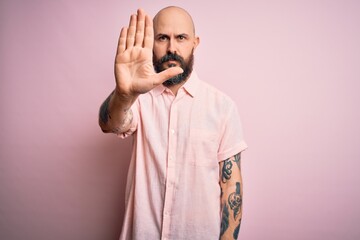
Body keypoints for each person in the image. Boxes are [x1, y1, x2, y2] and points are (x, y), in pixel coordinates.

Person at [99, 6, 247, 240]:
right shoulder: (138, 100)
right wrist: (124, 95)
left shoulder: (222, 107)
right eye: (162, 38)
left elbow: (231, 188)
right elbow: (109, 123)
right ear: (151, 43)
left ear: (195, 43)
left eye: (181, 38)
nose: (172, 48)